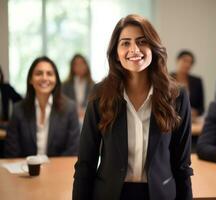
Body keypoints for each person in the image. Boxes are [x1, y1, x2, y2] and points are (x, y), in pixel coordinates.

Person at [73, 14, 193, 200]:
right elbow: (85, 163)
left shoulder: (176, 96)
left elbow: (182, 165)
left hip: (160, 194)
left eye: (142, 41)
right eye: (125, 43)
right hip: (110, 194)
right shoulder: (100, 94)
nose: (134, 49)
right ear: (116, 52)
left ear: (153, 47)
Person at [4, 56, 80, 158]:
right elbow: (12, 152)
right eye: (39, 73)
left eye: (49, 74)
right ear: (30, 79)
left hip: (59, 170)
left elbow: (73, 150)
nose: (44, 78)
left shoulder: (69, 108)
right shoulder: (18, 110)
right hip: (25, 171)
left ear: (56, 79)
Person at [171, 50, 204, 118]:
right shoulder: (167, 79)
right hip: (170, 119)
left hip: (191, 119)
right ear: (177, 61)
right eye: (184, 60)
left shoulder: (197, 81)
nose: (187, 64)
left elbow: (201, 108)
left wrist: (196, 112)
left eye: (190, 62)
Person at [62, 54, 94, 123]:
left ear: (86, 66)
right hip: (69, 118)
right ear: (72, 67)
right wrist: (75, 111)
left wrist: (84, 111)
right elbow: (62, 103)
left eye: (82, 63)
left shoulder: (93, 85)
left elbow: (94, 105)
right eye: (76, 64)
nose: (79, 67)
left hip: (87, 117)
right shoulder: (65, 85)